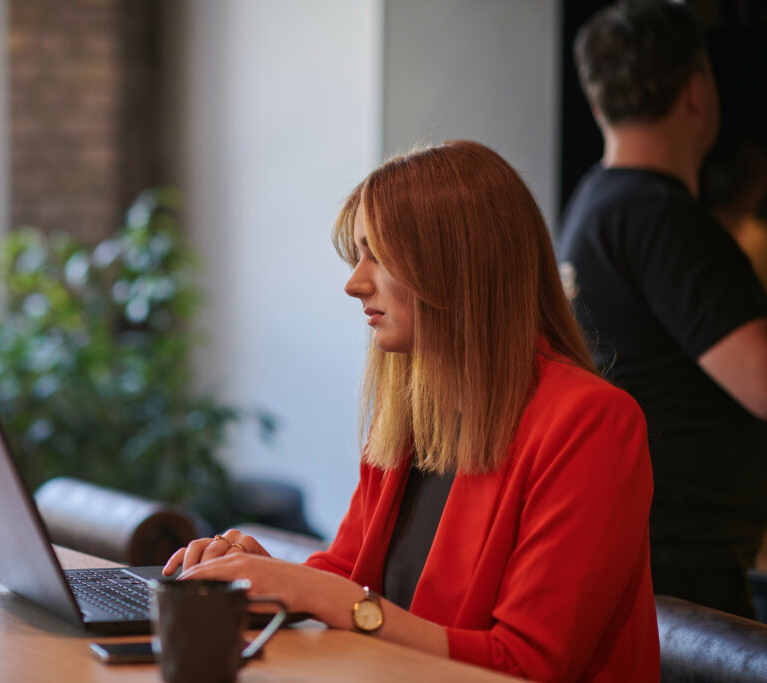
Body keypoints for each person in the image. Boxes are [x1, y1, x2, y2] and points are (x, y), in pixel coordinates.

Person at [164, 141, 659, 680]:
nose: (354, 283)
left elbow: (526, 666)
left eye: (378, 254)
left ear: (457, 264)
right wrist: (261, 577)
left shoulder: (592, 423)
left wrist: (324, 595)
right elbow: (348, 572)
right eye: (358, 255)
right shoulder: (409, 414)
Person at [557, 0, 767, 618]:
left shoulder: (599, 201)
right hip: (683, 562)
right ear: (698, 91)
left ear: (597, 104)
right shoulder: (664, 219)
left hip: (637, 543)